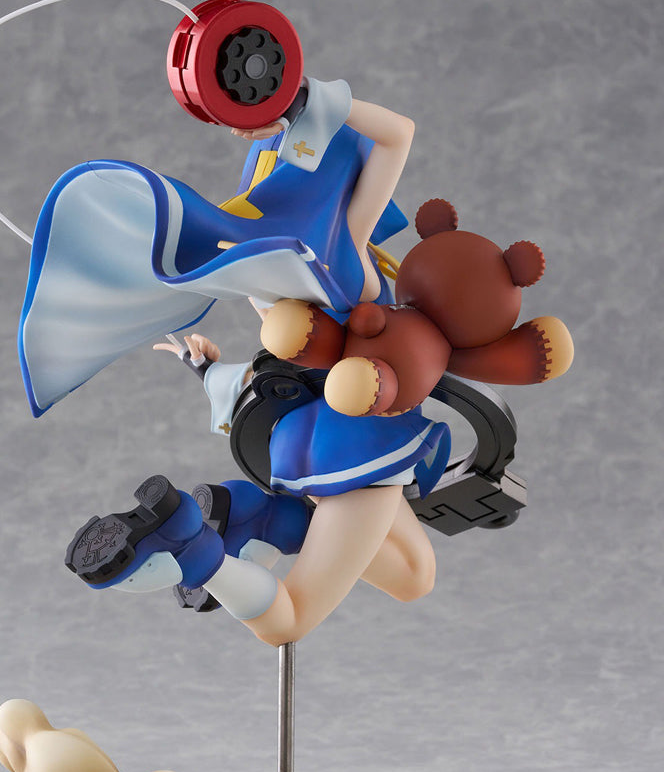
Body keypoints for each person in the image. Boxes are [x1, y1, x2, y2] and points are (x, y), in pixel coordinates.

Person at [61, 82, 451, 647]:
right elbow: (398, 134)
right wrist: (301, 94)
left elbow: (290, 356)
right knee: (286, 620)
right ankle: (192, 550)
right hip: (356, 446)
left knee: (414, 577)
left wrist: (212, 374)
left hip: (296, 431)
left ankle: (257, 516)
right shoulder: (342, 249)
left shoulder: (255, 261)